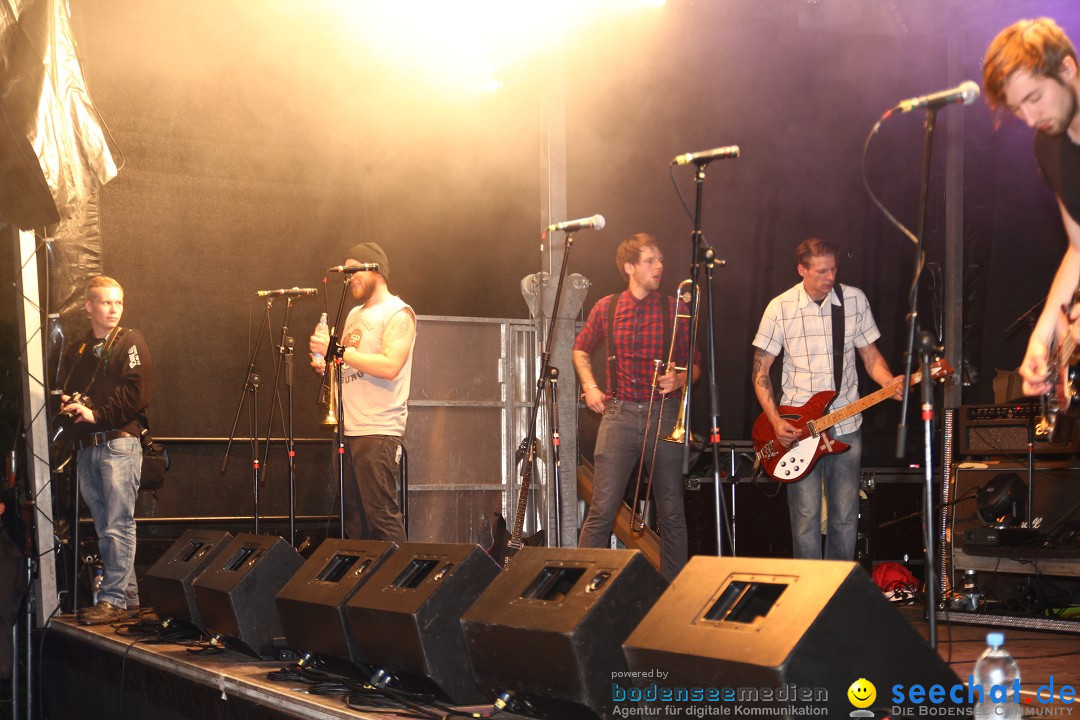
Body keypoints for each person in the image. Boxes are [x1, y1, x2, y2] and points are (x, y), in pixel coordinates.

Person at [751, 238, 899, 560]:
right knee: (805, 519)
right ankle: (810, 597)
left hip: (846, 423)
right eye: (821, 272)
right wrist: (776, 422)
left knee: (845, 518)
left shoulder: (853, 301)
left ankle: (839, 594)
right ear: (801, 270)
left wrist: (889, 382)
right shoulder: (780, 308)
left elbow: (871, 356)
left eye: (833, 269)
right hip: (798, 430)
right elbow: (760, 372)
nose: (830, 277)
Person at [573, 233, 699, 582]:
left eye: (660, 260)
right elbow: (580, 348)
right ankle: (584, 592)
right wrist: (590, 386)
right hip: (620, 414)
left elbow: (696, 365)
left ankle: (671, 594)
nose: (659, 266)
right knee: (602, 509)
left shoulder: (677, 308)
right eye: (650, 261)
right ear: (630, 267)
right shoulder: (606, 307)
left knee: (671, 511)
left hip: (664, 414)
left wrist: (681, 379)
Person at [983, 18, 1080, 397]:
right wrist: (1042, 337)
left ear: (1067, 68)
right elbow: (1077, 246)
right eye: (1016, 108)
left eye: (1034, 97)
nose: (1028, 119)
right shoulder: (1050, 145)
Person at [60, 276, 152, 625]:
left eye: (118, 302)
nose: (113, 309)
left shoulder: (130, 340)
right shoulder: (79, 350)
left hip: (118, 442)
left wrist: (96, 414)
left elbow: (137, 391)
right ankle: (127, 597)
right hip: (87, 448)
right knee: (105, 525)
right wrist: (70, 404)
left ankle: (112, 598)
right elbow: (70, 389)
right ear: (89, 306)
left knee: (117, 524)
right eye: (105, 302)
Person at [310, 242, 415, 542]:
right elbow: (348, 362)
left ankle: (401, 583)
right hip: (347, 428)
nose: (350, 278)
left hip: (377, 428)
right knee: (353, 518)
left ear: (375, 269)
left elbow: (391, 366)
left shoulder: (398, 312)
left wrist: (338, 351)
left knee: (381, 516)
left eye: (355, 271)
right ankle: (364, 583)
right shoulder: (354, 313)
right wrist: (327, 363)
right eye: (346, 273)